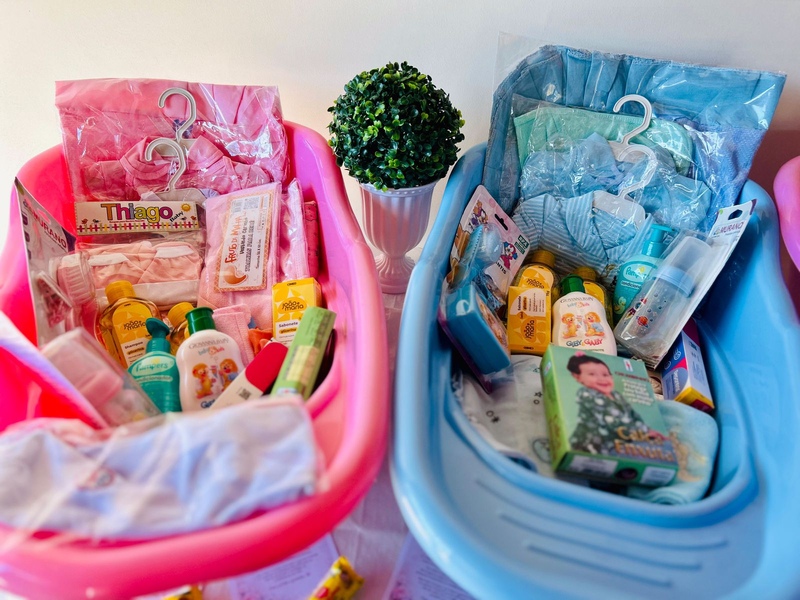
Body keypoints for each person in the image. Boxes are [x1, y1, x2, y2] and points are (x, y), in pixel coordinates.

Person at [567, 353, 651, 455]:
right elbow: (614, 423)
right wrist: (643, 432)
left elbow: (632, 414)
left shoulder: (615, 394)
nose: (602, 379)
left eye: (605, 375)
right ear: (577, 377)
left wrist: (648, 429)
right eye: (592, 374)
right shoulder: (587, 394)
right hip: (590, 446)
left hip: (618, 441)